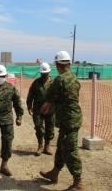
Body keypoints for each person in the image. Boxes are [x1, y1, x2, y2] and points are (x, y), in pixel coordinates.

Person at [40, 51, 83, 190]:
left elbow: (49, 96)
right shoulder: (74, 78)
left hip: (68, 120)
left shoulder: (60, 80)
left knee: (70, 150)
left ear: (58, 65)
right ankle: (55, 173)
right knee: (61, 147)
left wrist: (45, 107)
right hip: (72, 118)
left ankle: (78, 181)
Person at [26, 62, 55, 156]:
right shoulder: (36, 83)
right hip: (38, 110)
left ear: (49, 72)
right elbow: (30, 95)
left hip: (50, 110)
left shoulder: (54, 83)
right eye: (42, 73)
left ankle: (47, 147)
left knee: (50, 129)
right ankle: (40, 146)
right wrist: (29, 106)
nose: (44, 75)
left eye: (46, 73)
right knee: (39, 128)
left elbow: (58, 96)